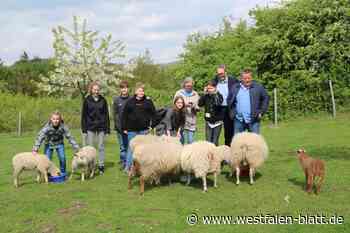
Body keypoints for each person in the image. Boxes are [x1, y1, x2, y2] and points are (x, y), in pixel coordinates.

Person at [121, 82, 156, 171]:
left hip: (144, 130)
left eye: (143, 91)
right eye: (140, 91)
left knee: (144, 149)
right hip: (131, 130)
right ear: (136, 91)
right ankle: (128, 167)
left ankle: (142, 168)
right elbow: (124, 116)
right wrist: (124, 128)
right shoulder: (130, 102)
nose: (141, 92)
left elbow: (154, 114)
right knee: (131, 148)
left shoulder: (148, 101)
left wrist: (152, 126)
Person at [227, 69, 269, 134]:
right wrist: (233, 113)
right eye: (245, 78)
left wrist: (261, 111)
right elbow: (229, 100)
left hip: (254, 120)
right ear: (241, 78)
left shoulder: (258, 87)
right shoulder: (235, 87)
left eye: (249, 78)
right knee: (238, 142)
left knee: (254, 142)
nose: (247, 80)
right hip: (239, 120)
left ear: (251, 78)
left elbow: (265, 98)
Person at [81, 81, 110, 174]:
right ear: (91, 90)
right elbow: (84, 115)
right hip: (90, 127)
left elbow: (106, 115)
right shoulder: (87, 100)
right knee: (90, 148)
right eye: (95, 89)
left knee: (101, 146)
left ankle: (101, 165)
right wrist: (84, 129)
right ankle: (90, 165)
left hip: (101, 126)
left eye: (98, 90)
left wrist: (107, 128)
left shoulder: (103, 100)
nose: (96, 91)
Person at [212, 64, 239, 146]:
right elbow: (209, 87)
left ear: (226, 72)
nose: (220, 75)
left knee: (229, 132)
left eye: (221, 73)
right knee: (215, 132)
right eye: (218, 73)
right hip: (218, 109)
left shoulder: (233, 80)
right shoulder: (215, 80)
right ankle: (215, 153)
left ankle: (229, 152)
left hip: (229, 109)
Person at [174, 77, 200, 144]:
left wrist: (195, 107)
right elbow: (175, 104)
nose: (189, 87)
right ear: (184, 85)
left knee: (191, 140)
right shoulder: (179, 93)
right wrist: (185, 105)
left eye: (191, 86)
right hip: (181, 119)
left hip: (191, 119)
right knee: (180, 139)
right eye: (187, 86)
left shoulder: (195, 94)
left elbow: (198, 105)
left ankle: (190, 153)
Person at [112, 80, 131, 170]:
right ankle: (123, 162)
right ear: (120, 89)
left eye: (126, 88)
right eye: (122, 88)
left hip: (130, 128)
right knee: (122, 147)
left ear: (128, 89)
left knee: (130, 146)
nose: (124, 90)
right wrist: (121, 128)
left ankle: (129, 163)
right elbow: (115, 115)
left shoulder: (131, 99)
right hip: (120, 128)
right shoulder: (116, 100)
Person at [198, 80, 224, 146]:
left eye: (211, 88)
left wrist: (215, 94)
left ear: (215, 88)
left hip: (217, 123)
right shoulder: (206, 96)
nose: (209, 90)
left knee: (214, 142)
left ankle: (215, 155)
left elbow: (217, 103)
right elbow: (200, 104)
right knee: (208, 142)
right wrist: (204, 94)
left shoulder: (219, 96)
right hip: (208, 122)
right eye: (208, 88)